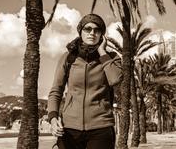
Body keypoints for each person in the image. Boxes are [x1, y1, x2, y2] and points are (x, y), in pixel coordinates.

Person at [47, 13, 122, 149]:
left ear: (102, 35)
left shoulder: (111, 57)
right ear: (80, 31)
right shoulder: (68, 58)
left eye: (97, 30)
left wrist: (102, 52)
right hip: (69, 129)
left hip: (101, 128)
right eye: (87, 29)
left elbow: (115, 79)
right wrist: (53, 118)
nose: (92, 33)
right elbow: (56, 91)